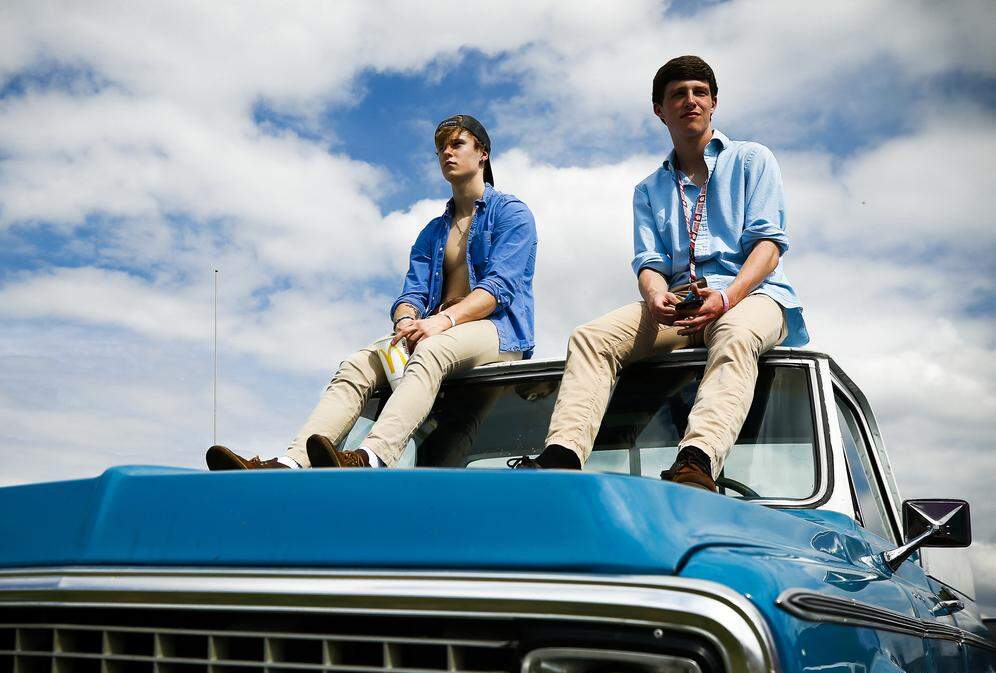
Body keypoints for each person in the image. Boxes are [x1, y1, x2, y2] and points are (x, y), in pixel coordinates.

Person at [511, 55, 808, 490]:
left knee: (736, 335)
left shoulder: (751, 159)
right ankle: (562, 457)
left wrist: (727, 297)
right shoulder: (648, 189)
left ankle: (697, 462)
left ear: (714, 103)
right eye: (678, 94)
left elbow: (769, 246)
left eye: (699, 92)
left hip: (754, 295)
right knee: (591, 337)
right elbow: (649, 264)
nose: (691, 100)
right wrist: (654, 296)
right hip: (679, 303)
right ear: (659, 110)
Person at [207, 115, 537, 470]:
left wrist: (441, 322)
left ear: (482, 154)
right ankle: (291, 463)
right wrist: (407, 320)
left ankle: (371, 456)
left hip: (498, 332)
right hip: (437, 329)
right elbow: (411, 292)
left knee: (430, 351)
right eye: (440, 148)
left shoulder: (511, 214)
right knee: (357, 364)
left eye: (456, 145)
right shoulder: (433, 231)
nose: (446, 154)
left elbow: (499, 288)